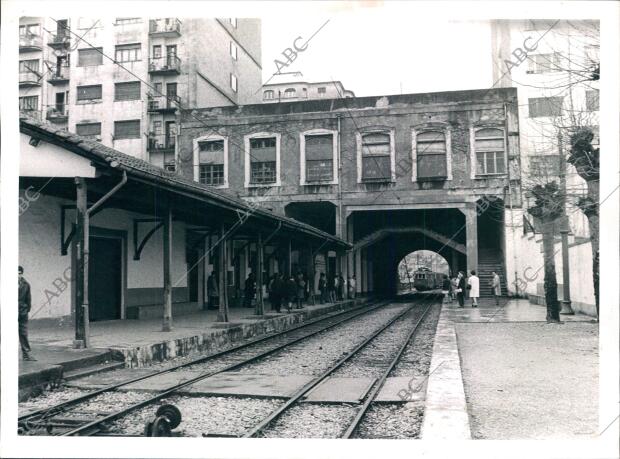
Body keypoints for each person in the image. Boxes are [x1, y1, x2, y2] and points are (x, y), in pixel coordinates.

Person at [18, 266, 36, 361]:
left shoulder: (26, 284)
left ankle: (26, 355)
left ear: (21, 273)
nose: (17, 275)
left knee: (23, 333)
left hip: (22, 312)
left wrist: (26, 310)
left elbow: (28, 299)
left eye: (19, 273)